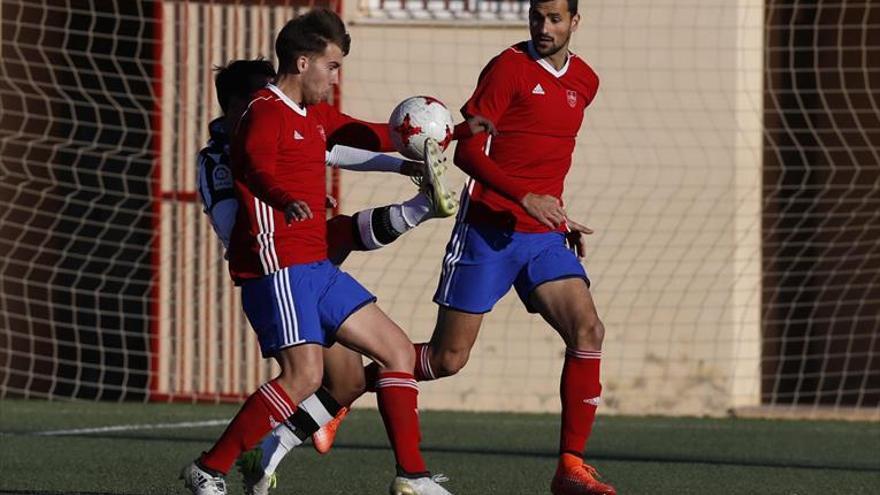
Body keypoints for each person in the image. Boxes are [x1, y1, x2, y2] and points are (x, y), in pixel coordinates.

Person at [315, 0, 615, 493]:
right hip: (487, 232)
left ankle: (570, 468)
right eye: (537, 16)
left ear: (575, 22)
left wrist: (554, 212)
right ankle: (343, 392)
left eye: (555, 19)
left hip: (543, 235)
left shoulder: (586, 82)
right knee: (447, 360)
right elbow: (469, 151)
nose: (543, 27)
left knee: (588, 330)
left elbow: (545, 155)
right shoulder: (507, 69)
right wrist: (525, 198)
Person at [181, 11, 458, 495]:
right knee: (305, 375)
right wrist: (286, 198)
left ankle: (412, 477)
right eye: (332, 66)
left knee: (394, 351)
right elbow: (251, 169)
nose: (335, 77)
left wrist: (416, 141)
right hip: (278, 267)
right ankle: (211, 467)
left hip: (315, 264)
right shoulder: (262, 112)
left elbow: (359, 135)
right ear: (303, 62)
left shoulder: (312, 114)